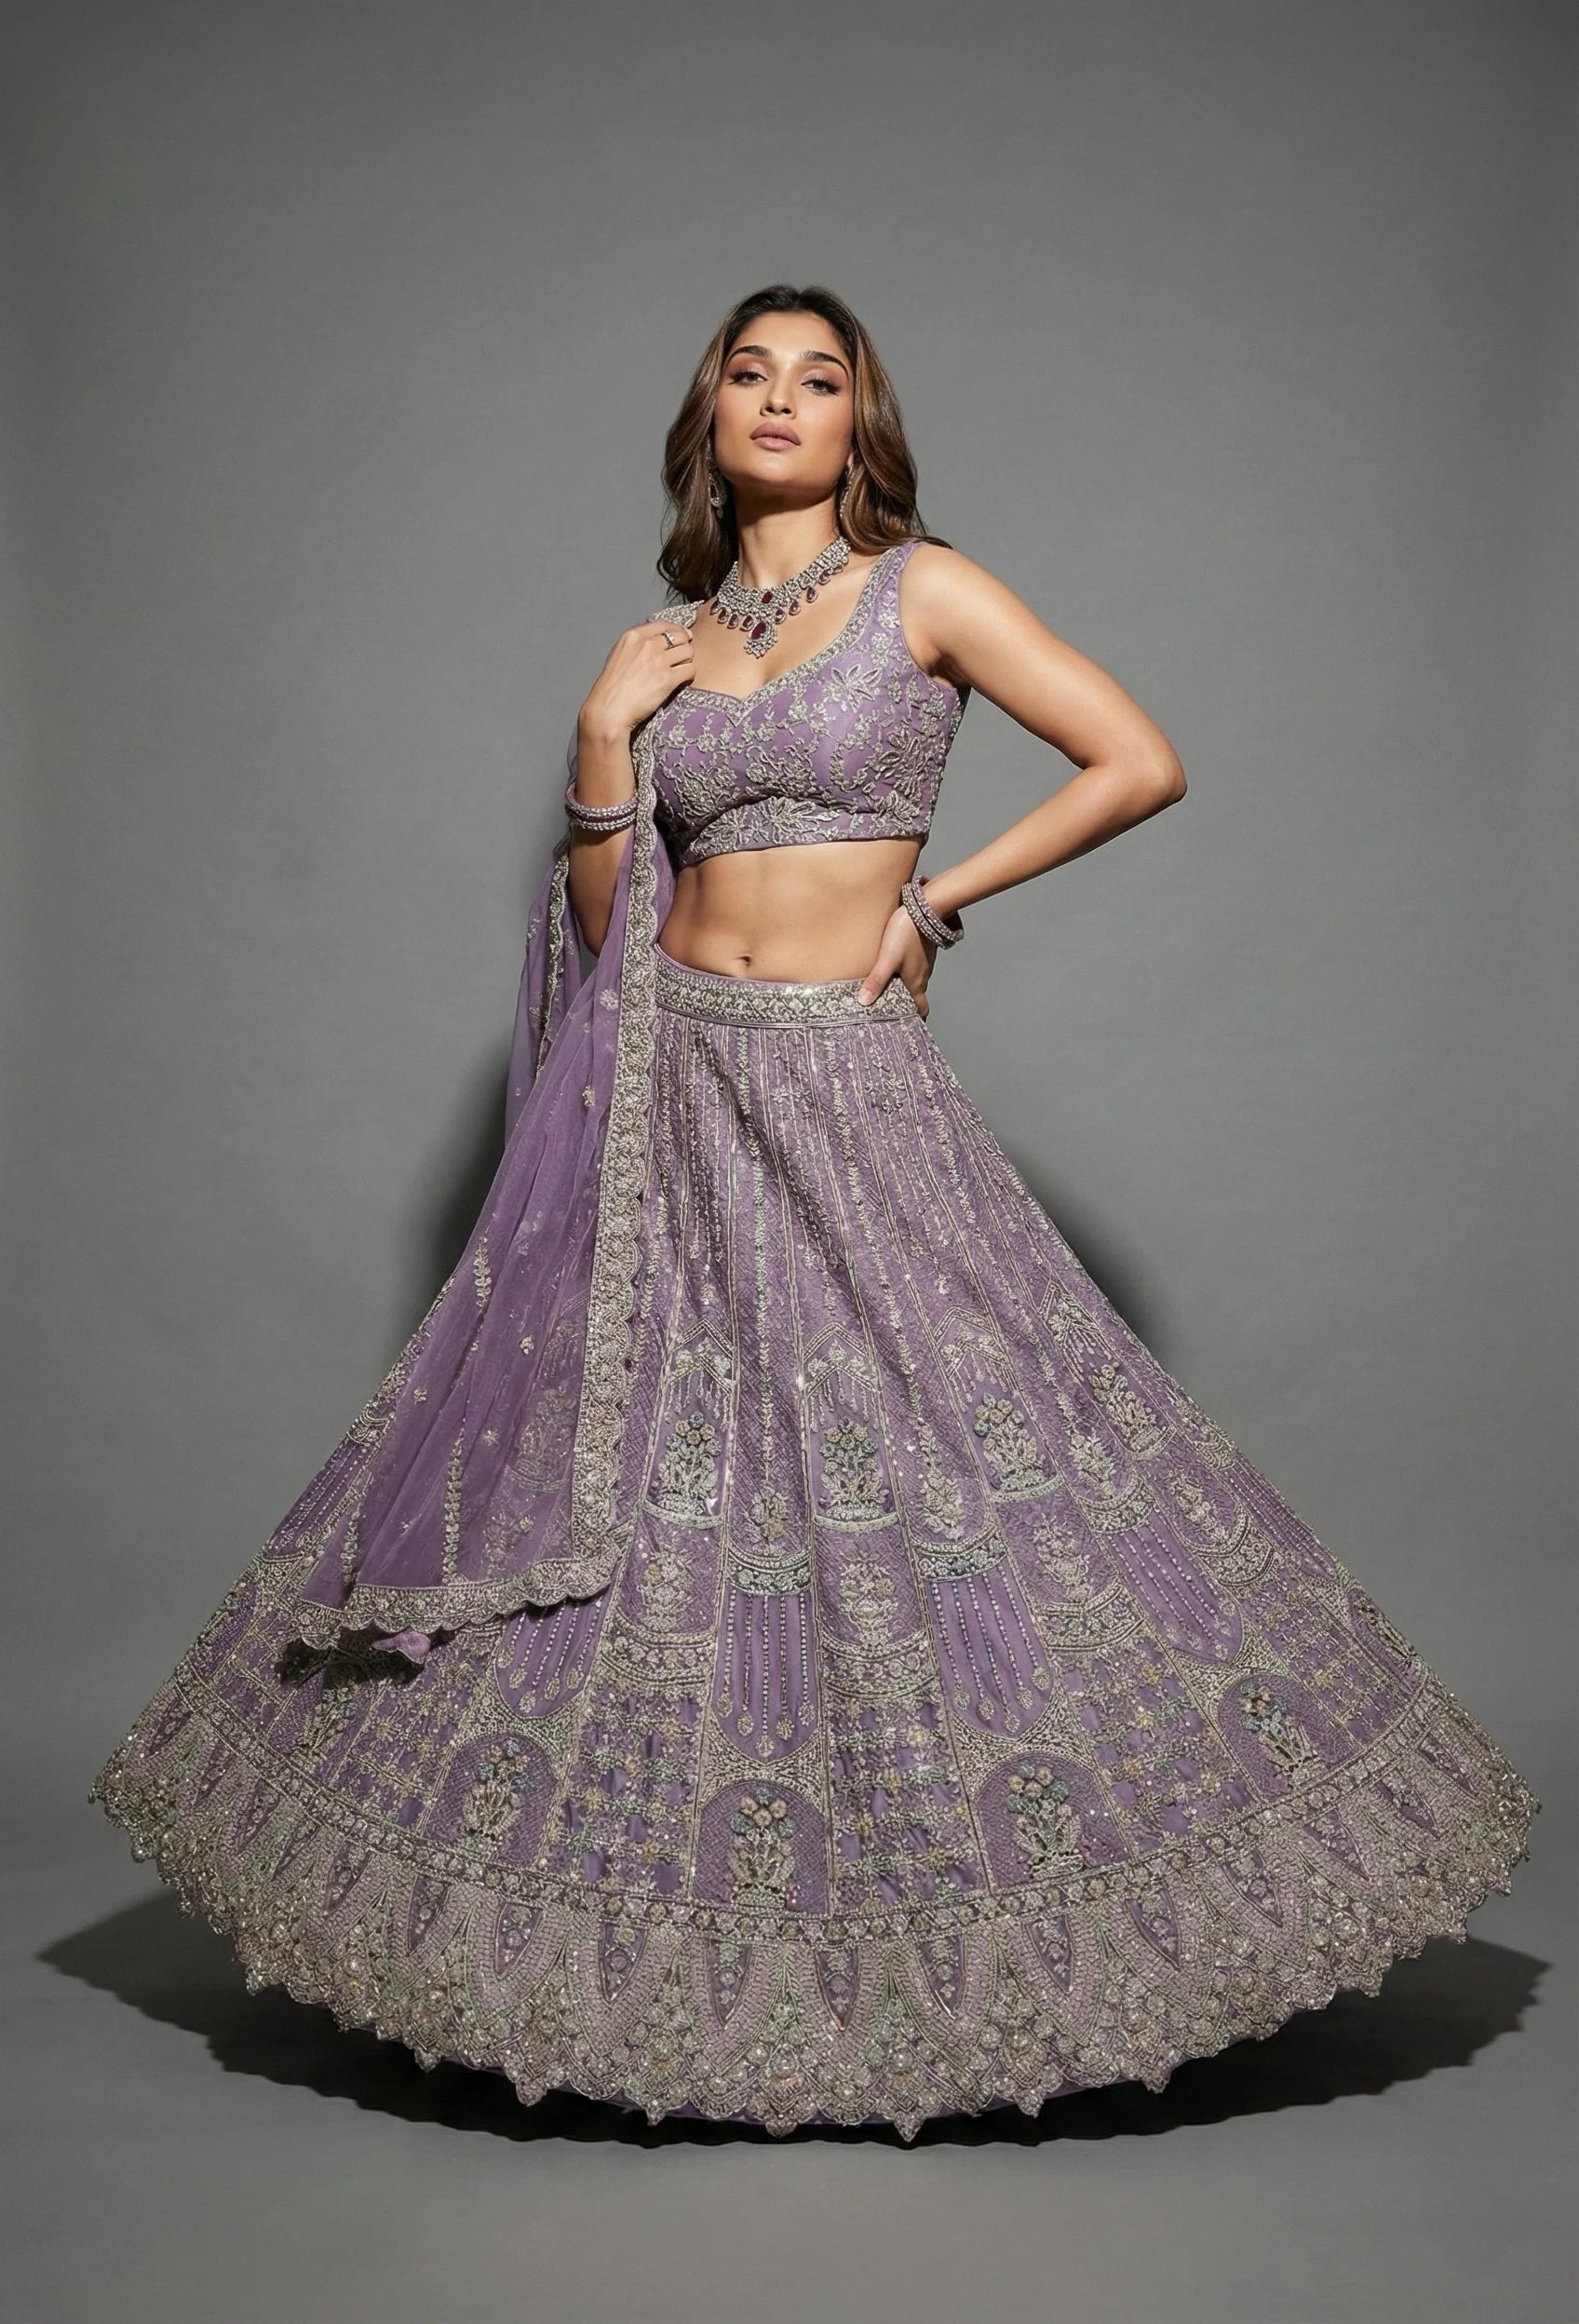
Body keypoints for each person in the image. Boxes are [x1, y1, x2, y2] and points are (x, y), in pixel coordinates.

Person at [90, 282, 1538, 2140]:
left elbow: (1137, 760)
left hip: (838, 1083)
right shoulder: (664, 647)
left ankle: (984, 1928)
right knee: (670, 1476)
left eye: (820, 378)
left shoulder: (926, 592)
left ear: (861, 422)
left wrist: (940, 903)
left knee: (920, 1447)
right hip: (673, 1091)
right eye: (749, 375)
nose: (782, 400)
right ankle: (629, 1950)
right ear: (710, 420)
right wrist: (600, 747)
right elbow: (604, 951)